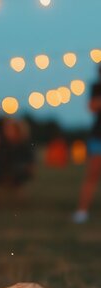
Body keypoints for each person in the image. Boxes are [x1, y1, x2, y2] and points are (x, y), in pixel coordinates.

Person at [73, 65, 101, 223]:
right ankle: (82, 211)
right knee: (92, 174)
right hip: (98, 136)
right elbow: (91, 106)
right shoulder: (96, 86)